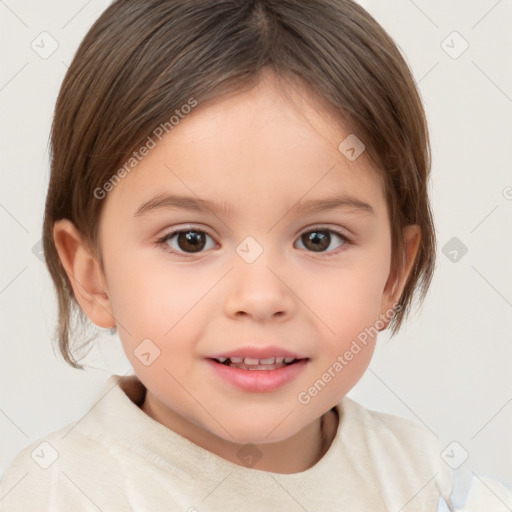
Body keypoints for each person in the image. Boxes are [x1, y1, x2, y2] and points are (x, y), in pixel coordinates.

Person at [0, 0, 492, 510]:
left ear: (393, 274)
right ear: (92, 274)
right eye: (190, 239)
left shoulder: (429, 483)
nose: (260, 297)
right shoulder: (56, 494)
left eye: (319, 239)